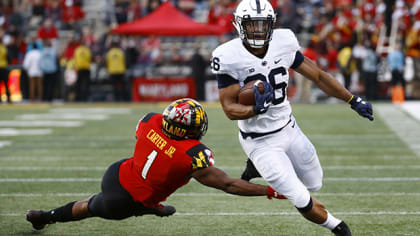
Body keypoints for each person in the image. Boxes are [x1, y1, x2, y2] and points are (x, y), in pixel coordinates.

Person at [210, 1, 374, 235]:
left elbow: (317, 75)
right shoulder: (228, 56)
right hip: (259, 140)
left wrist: (352, 100)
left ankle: (260, 168)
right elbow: (228, 108)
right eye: (251, 25)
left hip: (289, 128)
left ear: (272, 24)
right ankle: (337, 227)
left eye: (262, 25)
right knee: (300, 197)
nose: (257, 30)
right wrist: (255, 110)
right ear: (239, 25)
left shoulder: (283, 41)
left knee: (315, 183)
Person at [26, 98, 285, 230]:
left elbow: (150, 140)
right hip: (125, 200)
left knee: (108, 195)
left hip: (117, 171)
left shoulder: (150, 121)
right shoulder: (193, 154)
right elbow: (228, 184)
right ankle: (47, 217)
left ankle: (151, 206)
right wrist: (270, 190)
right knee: (91, 207)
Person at [0, 37, 12, 104]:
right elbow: (8, 57)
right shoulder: (4, 48)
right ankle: (8, 98)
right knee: (6, 84)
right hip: (4, 68)